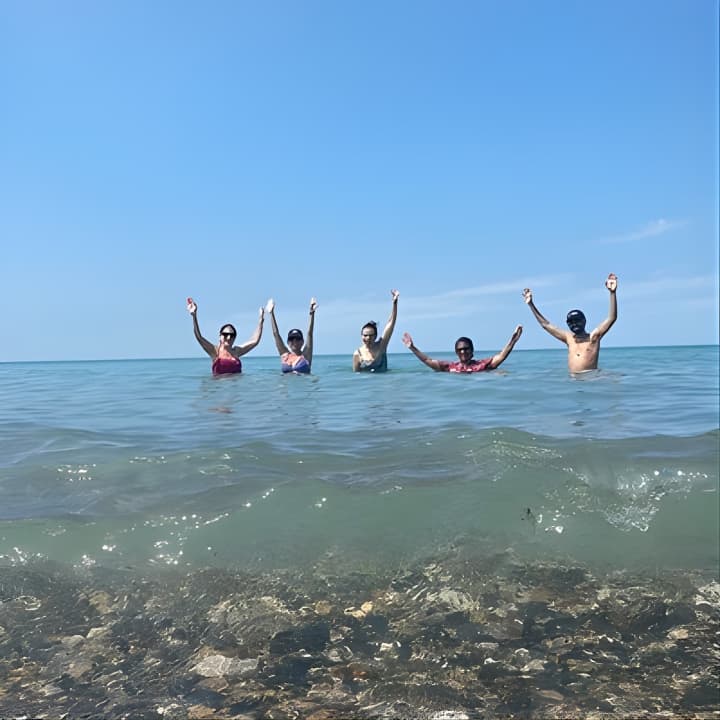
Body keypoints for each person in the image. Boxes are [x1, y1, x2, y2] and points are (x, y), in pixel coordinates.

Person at [522, 273, 618, 372]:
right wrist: (531, 304)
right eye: (571, 322)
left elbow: (612, 318)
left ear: (584, 321)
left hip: (590, 378)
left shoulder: (593, 337)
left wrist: (612, 293)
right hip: (573, 380)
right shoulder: (569, 338)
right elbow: (545, 325)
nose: (574, 324)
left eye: (577, 320)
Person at [186, 297, 266, 375]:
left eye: (232, 335)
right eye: (225, 334)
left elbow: (255, 341)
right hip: (218, 383)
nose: (228, 337)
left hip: (237, 384)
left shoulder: (237, 351)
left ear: (235, 338)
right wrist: (194, 316)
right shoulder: (215, 351)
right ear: (220, 336)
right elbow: (199, 337)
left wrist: (261, 320)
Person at [402, 326, 523, 372]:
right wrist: (412, 347)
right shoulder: (450, 367)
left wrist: (513, 341)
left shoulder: (481, 365)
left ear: (472, 350)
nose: (463, 351)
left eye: (466, 349)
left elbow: (501, 356)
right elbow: (427, 360)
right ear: (456, 352)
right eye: (460, 350)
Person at [266, 297, 317, 374]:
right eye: (291, 339)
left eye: (297, 339)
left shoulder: (306, 356)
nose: (294, 341)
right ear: (288, 342)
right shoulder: (285, 355)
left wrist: (312, 314)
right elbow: (276, 334)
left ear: (302, 342)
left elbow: (310, 333)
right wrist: (271, 313)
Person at [353, 290, 400, 372]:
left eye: (371, 335)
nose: (368, 338)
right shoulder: (357, 354)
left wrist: (395, 304)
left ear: (375, 336)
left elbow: (390, 324)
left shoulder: (381, 345)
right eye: (365, 335)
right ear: (361, 336)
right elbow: (356, 375)